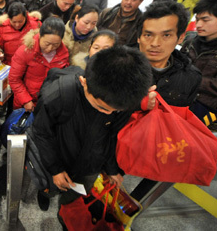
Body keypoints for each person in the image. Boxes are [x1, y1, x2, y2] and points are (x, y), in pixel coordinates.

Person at [32, 46, 153, 216]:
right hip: (60, 157)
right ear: (84, 82)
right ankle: (46, 193)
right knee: (51, 186)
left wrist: (111, 169)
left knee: (74, 197)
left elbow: (113, 136)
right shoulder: (60, 94)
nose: (108, 113)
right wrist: (55, 169)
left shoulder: (122, 100)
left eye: (115, 111)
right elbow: (41, 132)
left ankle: (65, 212)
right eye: (101, 107)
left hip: (91, 165)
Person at [137, 0, 201, 107]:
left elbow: (182, 118)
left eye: (166, 35)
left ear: (180, 38)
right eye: (148, 35)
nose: (155, 43)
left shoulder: (191, 77)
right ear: (138, 37)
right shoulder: (115, 67)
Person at [180, 0, 217, 124]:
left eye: (205, 20)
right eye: (197, 19)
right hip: (179, 98)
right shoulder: (191, 41)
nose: (199, 24)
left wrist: (192, 79)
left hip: (209, 109)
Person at [9, 17, 69, 111]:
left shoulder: (63, 53)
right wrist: (26, 101)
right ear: (40, 35)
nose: (50, 48)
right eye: (47, 43)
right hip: (26, 103)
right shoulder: (25, 51)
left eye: (55, 45)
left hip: (49, 103)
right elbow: (14, 79)